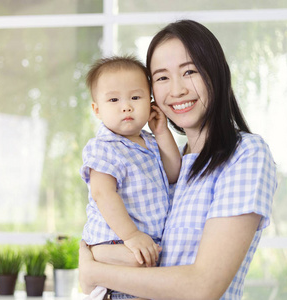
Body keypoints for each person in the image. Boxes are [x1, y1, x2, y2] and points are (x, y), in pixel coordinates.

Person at [79, 19, 278, 300]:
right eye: (161, 77)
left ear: (216, 73)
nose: (177, 90)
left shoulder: (245, 155)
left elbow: (203, 287)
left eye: (190, 71)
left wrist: (94, 270)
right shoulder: (161, 159)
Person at [80, 55, 182, 299]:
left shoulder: (150, 141)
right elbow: (102, 193)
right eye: (113, 99)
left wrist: (162, 132)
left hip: (143, 241)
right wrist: (131, 235)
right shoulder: (104, 147)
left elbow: (173, 172)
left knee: (149, 277)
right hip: (113, 240)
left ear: (150, 102)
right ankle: (98, 276)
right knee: (144, 265)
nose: (126, 106)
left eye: (135, 98)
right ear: (97, 109)